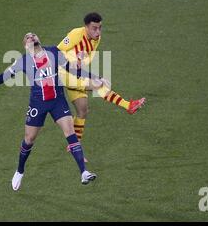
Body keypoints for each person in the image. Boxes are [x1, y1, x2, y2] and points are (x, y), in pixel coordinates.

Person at [0, 33, 103, 191]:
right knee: (29, 139)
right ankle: (20, 171)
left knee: (70, 132)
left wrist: (94, 77)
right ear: (25, 45)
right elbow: (5, 76)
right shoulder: (23, 60)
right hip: (38, 103)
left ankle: (83, 172)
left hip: (57, 101)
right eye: (27, 37)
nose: (31, 36)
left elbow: (72, 70)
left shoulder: (54, 52)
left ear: (38, 39)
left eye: (33, 35)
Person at [57, 12, 146, 152]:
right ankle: (128, 105)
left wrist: (83, 64)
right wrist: (74, 62)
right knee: (99, 85)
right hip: (65, 73)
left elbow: (86, 58)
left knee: (83, 110)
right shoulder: (76, 34)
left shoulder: (96, 39)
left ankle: (74, 145)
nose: (98, 32)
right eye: (94, 28)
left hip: (78, 74)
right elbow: (57, 51)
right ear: (86, 27)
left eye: (100, 28)